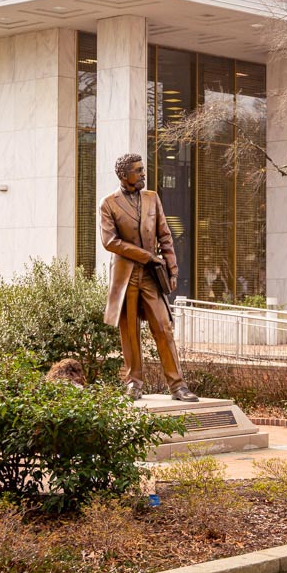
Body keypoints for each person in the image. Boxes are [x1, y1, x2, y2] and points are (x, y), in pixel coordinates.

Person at [100, 153, 197, 402]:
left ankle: (178, 386)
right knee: (130, 332)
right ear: (124, 175)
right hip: (125, 277)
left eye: (143, 169)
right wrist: (146, 255)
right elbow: (110, 242)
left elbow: (165, 235)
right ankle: (134, 382)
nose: (143, 173)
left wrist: (172, 269)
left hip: (151, 276)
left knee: (163, 327)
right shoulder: (108, 203)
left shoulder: (152, 198)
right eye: (138, 170)